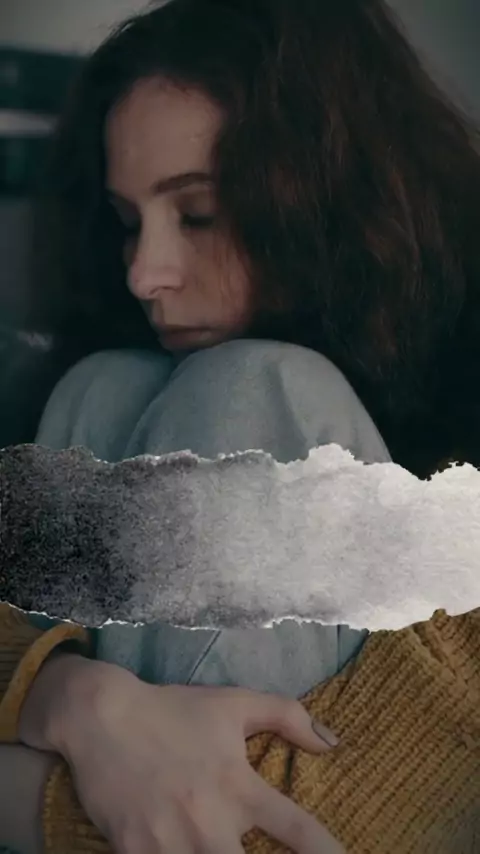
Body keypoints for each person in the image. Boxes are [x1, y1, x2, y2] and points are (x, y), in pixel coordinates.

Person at [1, 0, 480, 851]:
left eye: (199, 215)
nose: (144, 274)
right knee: (101, 385)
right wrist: (76, 698)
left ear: (331, 198)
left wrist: (51, 784)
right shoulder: (117, 383)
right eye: (128, 224)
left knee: (258, 385)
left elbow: (293, 835)